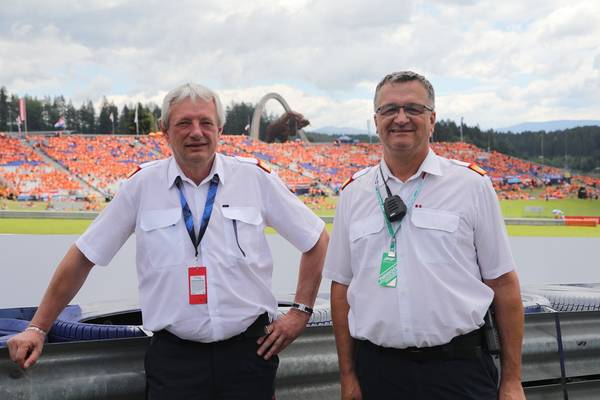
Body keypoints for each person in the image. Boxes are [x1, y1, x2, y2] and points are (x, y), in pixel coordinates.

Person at [8, 83, 329, 400]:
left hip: (249, 352)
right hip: (175, 359)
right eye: (184, 123)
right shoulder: (141, 186)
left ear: (220, 129)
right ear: (164, 130)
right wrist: (37, 328)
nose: (196, 132)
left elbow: (316, 239)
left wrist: (300, 311)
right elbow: (83, 256)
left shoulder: (254, 178)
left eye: (206, 122)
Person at [324, 71, 524, 400]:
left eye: (413, 109)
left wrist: (512, 380)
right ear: (376, 121)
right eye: (389, 109)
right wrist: (347, 375)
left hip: (459, 370)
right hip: (378, 372)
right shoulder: (353, 193)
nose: (401, 118)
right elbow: (341, 288)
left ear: (432, 120)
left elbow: (503, 283)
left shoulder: (471, 186)